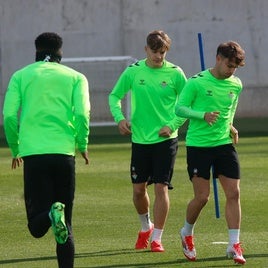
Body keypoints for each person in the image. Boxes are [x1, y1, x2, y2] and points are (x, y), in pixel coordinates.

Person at [3, 32, 90, 268]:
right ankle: (56, 215)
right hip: (64, 154)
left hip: (34, 155)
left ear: (36, 51)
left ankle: (52, 214)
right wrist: (82, 144)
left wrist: (15, 148)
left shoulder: (21, 75)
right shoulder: (76, 77)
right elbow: (82, 114)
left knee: (36, 227)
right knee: (66, 226)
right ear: (61, 52)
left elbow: (9, 116)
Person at [109, 30, 187, 252]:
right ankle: (146, 227)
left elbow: (187, 102)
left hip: (166, 140)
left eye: (162, 52)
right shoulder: (134, 71)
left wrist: (172, 125)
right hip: (140, 140)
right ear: (146, 50)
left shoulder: (175, 73)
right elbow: (114, 96)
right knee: (137, 191)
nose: (158, 56)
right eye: (154, 52)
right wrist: (120, 118)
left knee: (161, 188)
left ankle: (157, 238)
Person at [175, 41, 246, 264]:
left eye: (235, 67)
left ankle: (234, 244)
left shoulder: (236, 85)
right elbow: (179, 109)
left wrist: (231, 126)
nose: (231, 70)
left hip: (224, 145)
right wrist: (202, 115)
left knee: (233, 193)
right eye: (229, 65)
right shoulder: (196, 82)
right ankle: (187, 232)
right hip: (199, 146)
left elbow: (229, 111)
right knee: (202, 197)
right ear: (218, 59)